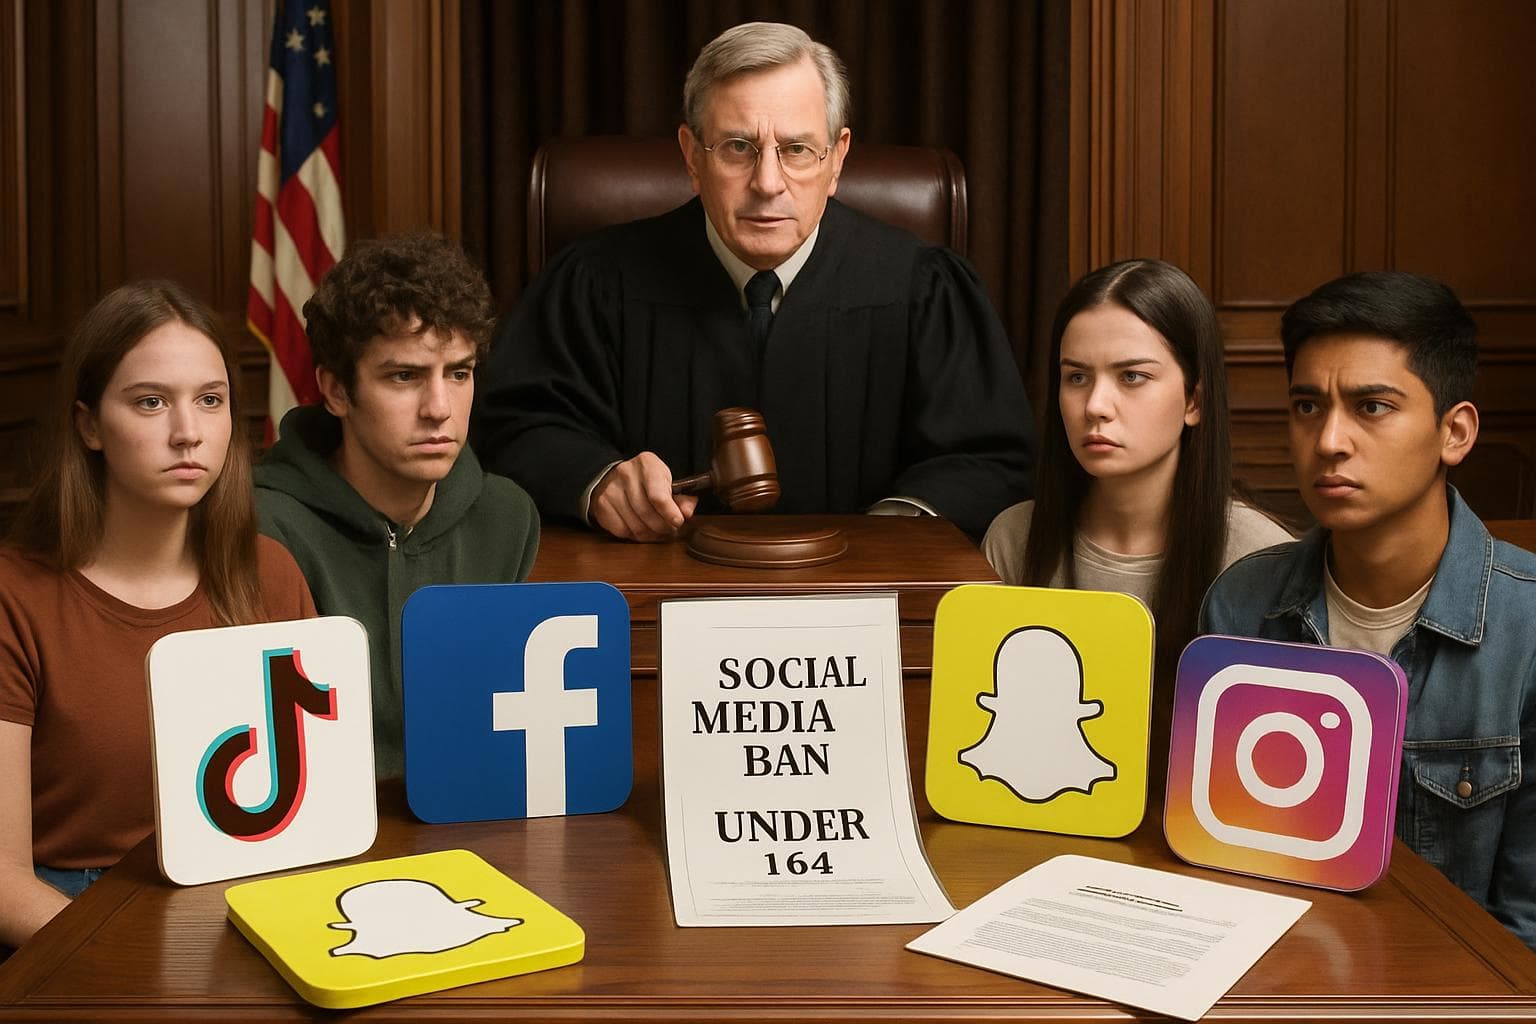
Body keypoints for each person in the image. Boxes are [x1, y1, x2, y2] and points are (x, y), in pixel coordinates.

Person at [471, 21, 1034, 542]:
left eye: (796, 150)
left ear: (836, 159)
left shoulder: (921, 290)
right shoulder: (596, 283)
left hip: (858, 605)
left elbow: (991, 459)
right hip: (654, 603)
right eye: (738, 148)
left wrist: (884, 535)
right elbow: (514, 427)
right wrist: (597, 481)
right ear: (693, 157)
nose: (768, 182)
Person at [1201, 271, 1536, 948]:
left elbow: (1525, 932)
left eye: (1372, 406)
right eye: (1306, 407)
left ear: (1455, 432)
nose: (1328, 441)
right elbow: (1221, 874)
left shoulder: (1526, 631)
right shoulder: (1241, 603)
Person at [0, 282, 316, 948]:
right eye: (150, 402)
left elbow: (307, 817)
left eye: (210, 400)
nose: (188, 432)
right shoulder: (16, 595)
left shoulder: (272, 575)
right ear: (89, 426)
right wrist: (145, 962)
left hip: (249, 900)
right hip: (72, 914)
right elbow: (3, 881)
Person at [255, 233, 540, 779]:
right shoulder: (264, 525)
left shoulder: (506, 516)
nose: (439, 409)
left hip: (467, 817)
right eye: (404, 377)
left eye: (459, 373)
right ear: (336, 392)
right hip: (325, 837)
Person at [983, 259, 1291, 663]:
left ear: (1194, 400)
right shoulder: (1014, 539)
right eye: (1077, 377)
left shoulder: (1261, 559)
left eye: (1131, 377)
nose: (1095, 405)